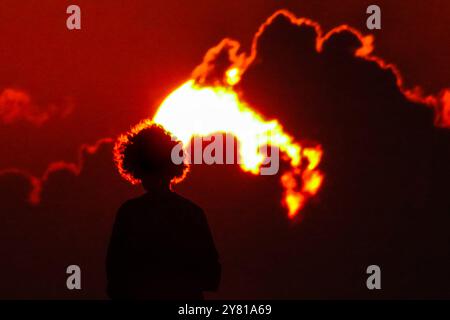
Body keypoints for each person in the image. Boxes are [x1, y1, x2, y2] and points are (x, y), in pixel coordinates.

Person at [107, 123, 221, 299]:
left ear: (136, 169)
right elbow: (212, 276)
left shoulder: (130, 213)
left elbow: (115, 277)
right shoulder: (192, 213)